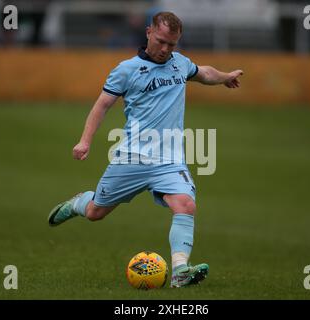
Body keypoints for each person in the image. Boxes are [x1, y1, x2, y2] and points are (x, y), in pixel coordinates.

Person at [48, 12, 243, 288]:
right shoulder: (126, 69)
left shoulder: (179, 63)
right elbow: (102, 105)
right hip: (132, 158)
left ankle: (179, 271)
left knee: (186, 205)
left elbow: (204, 72)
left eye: (172, 44)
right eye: (162, 41)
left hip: (170, 160)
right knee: (95, 213)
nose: (166, 50)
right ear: (149, 32)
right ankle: (78, 202)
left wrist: (225, 77)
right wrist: (85, 141)